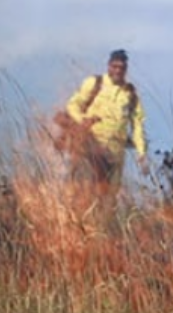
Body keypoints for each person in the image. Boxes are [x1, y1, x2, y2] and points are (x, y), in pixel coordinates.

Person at [63, 49, 148, 204]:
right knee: (81, 191)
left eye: (121, 68)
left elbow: (137, 126)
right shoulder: (95, 83)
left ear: (126, 70)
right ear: (108, 66)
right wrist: (83, 120)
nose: (117, 71)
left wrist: (141, 153)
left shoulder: (130, 95)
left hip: (115, 156)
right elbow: (73, 105)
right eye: (114, 66)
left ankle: (99, 226)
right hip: (89, 148)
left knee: (108, 198)